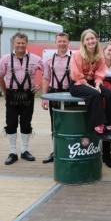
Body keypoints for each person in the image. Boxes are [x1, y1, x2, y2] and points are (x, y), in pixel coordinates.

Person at [0, 32, 43, 165]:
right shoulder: (5, 59)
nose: (20, 45)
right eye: (18, 43)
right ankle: (12, 152)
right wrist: (4, 90)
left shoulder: (35, 58)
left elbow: (47, 72)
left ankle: (24, 151)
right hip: (12, 94)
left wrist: (39, 85)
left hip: (28, 94)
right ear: (13, 44)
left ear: (26, 43)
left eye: (23, 43)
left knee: (26, 123)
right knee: (11, 123)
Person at [69, 29, 111, 141]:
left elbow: (100, 73)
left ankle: (110, 126)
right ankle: (98, 126)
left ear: (96, 40)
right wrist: (91, 87)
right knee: (95, 95)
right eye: (87, 39)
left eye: (92, 38)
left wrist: (98, 84)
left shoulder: (99, 56)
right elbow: (76, 75)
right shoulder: (77, 55)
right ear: (83, 42)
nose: (90, 41)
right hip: (78, 84)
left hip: (93, 82)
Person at [41, 32, 73, 164]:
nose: (62, 43)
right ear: (56, 43)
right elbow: (45, 78)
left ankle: (69, 151)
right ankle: (56, 151)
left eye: (64, 41)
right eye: (59, 41)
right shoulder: (49, 59)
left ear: (68, 42)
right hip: (54, 94)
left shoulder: (75, 58)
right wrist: (44, 97)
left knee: (70, 124)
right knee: (55, 124)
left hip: (70, 96)